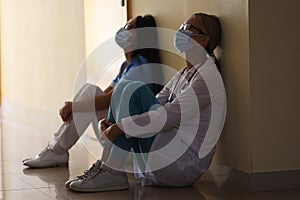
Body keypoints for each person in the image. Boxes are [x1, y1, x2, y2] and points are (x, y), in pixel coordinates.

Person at [66, 13, 227, 192]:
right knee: (125, 87)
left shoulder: (208, 77)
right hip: (166, 152)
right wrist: (116, 123)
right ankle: (109, 168)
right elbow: (158, 100)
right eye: (181, 26)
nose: (180, 32)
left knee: (133, 88)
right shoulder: (185, 73)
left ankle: (111, 170)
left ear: (204, 39)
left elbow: (169, 116)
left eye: (187, 28)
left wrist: (120, 127)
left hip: (181, 164)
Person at [22, 14, 163, 168]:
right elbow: (105, 94)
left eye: (129, 27)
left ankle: (57, 151)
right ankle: (56, 150)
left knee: (90, 93)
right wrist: (77, 107)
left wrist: (73, 106)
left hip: (131, 145)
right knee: (91, 93)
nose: (123, 29)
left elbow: (108, 99)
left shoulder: (142, 67)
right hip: (118, 135)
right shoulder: (126, 66)